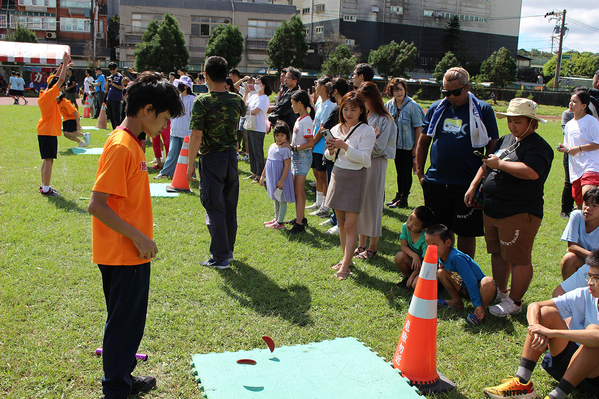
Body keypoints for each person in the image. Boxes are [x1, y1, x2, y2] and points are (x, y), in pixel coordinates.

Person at [87, 71, 184, 399]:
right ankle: (115, 389)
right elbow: (97, 205)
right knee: (122, 326)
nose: (165, 125)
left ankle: (123, 377)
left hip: (131, 253)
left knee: (130, 323)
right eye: (165, 118)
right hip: (123, 254)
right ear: (147, 110)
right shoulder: (121, 146)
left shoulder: (132, 143)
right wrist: (139, 237)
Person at [465, 98, 554, 317]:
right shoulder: (507, 139)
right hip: (494, 209)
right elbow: (488, 162)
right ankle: (501, 292)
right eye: (510, 120)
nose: (513, 125)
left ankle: (515, 301)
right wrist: (475, 184)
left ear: (532, 123)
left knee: (519, 258)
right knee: (498, 253)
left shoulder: (538, 146)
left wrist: (500, 164)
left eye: (518, 121)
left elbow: (532, 172)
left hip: (519, 211)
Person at [483, 258, 599, 399]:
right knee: (546, 313)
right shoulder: (585, 294)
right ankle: (522, 382)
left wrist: (551, 332)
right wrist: (535, 327)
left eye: (596, 278)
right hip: (572, 367)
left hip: (595, 376)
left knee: (593, 336)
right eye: (590, 276)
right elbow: (535, 306)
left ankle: (556, 396)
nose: (590, 282)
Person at [416, 67, 499, 259]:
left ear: (468, 87)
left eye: (456, 92)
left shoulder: (483, 110)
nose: (451, 97)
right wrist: (421, 174)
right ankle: (442, 271)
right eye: (446, 92)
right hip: (436, 181)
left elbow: (492, 149)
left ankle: (462, 273)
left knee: (466, 232)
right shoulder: (437, 108)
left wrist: (479, 181)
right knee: (440, 230)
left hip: (467, 183)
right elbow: (423, 142)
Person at [187, 56, 247, 269]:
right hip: (232, 158)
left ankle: (220, 257)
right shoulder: (235, 99)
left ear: (205, 75)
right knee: (229, 206)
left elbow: (196, 135)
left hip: (212, 158)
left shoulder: (202, 101)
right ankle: (227, 251)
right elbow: (243, 109)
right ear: (226, 75)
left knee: (215, 207)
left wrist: (189, 164)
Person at [324, 92, 376, 280]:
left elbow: (365, 160)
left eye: (353, 109)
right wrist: (331, 150)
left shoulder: (366, 131)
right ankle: (346, 259)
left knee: (351, 225)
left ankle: (345, 266)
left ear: (362, 110)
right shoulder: (337, 128)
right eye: (345, 109)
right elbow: (329, 157)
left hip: (356, 177)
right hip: (338, 175)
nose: (349, 113)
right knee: (342, 223)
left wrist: (344, 146)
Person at [355, 82, 397, 259]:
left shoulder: (385, 119)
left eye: (365, 99)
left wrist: (362, 146)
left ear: (374, 98)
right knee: (360, 203)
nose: (363, 103)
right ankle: (361, 244)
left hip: (376, 163)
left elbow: (379, 148)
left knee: (372, 204)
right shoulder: (364, 116)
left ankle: (372, 248)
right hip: (360, 164)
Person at [425, 224, 497, 324]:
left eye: (435, 245)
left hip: (481, 291)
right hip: (464, 288)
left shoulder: (456, 257)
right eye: (428, 245)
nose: (431, 248)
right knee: (441, 272)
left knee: (488, 282)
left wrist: (477, 303)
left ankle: (479, 309)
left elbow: (470, 281)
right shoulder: (440, 255)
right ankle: (456, 301)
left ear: (448, 242)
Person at [384, 78, 425, 209]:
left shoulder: (413, 106)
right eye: (395, 90)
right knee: (399, 172)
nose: (398, 93)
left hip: (408, 146)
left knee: (406, 173)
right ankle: (398, 195)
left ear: (405, 90)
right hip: (395, 146)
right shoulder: (389, 105)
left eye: (400, 90)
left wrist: (416, 147)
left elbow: (418, 127)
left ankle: (404, 199)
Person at [36, 53, 71, 197]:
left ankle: (44, 186)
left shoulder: (44, 93)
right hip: (48, 131)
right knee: (49, 160)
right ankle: (46, 188)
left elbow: (56, 77)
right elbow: (60, 78)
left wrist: (64, 65)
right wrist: (63, 62)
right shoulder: (50, 95)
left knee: (46, 160)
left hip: (44, 130)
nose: (63, 89)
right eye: (61, 87)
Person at [557, 90, 599, 208]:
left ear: (584, 106)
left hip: (590, 165)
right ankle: (584, 226)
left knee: (588, 197)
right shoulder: (569, 124)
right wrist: (564, 148)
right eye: (570, 101)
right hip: (575, 168)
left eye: (574, 102)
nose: (570, 103)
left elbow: (598, 142)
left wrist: (579, 148)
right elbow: (570, 146)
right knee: (580, 203)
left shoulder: (591, 121)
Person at [321, 77, 350, 235]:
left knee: (337, 189)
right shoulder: (338, 107)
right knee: (332, 187)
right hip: (332, 151)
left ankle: (339, 223)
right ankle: (334, 218)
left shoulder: (341, 108)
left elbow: (325, 128)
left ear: (336, 91)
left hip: (339, 153)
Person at [156, 75, 195, 179]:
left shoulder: (192, 99)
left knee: (188, 156)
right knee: (172, 154)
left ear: (186, 86)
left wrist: (191, 132)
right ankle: (166, 172)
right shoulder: (176, 98)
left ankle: (191, 174)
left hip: (186, 132)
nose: (179, 86)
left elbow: (193, 117)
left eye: (182, 84)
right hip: (175, 131)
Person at [306, 75, 335, 217]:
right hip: (316, 143)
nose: (315, 87)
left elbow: (323, 128)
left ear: (323, 86)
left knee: (323, 177)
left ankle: (325, 206)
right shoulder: (320, 103)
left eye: (317, 84)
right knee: (317, 174)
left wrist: (313, 142)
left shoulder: (330, 105)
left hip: (321, 144)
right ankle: (318, 202)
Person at [288, 90, 316, 234]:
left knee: (298, 191)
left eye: (293, 103)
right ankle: (301, 218)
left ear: (300, 103)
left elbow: (310, 142)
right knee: (299, 191)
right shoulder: (300, 119)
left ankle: (299, 224)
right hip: (297, 157)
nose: (292, 106)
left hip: (302, 158)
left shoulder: (306, 120)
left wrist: (294, 147)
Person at [259, 121, 295, 230]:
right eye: (277, 135)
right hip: (272, 179)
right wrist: (262, 175)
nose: (279, 138)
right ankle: (276, 218)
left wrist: (282, 180)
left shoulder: (285, 149)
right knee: (276, 198)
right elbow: (268, 162)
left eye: (282, 135)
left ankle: (280, 222)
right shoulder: (272, 146)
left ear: (287, 136)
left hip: (280, 178)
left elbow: (287, 165)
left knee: (282, 199)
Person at [560, 187, 599, 280]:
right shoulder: (577, 216)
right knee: (569, 259)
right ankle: (569, 292)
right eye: (586, 204)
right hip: (586, 262)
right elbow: (572, 246)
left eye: (594, 206)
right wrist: (595, 257)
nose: (588, 208)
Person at [393, 206, 435, 290]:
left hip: (425, 265)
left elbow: (425, 262)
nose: (410, 224)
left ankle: (437, 285)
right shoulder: (405, 226)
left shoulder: (425, 237)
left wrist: (414, 274)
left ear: (423, 228)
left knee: (415, 285)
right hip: (414, 261)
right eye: (410, 218)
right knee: (399, 256)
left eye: (415, 224)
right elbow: (403, 246)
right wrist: (415, 256)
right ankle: (407, 278)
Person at [245, 76, 272, 183]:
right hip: (250, 125)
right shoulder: (254, 96)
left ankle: (260, 174)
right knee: (251, 150)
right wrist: (246, 93)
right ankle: (254, 172)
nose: (255, 84)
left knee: (257, 151)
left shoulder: (264, 98)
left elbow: (255, 111)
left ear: (263, 85)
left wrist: (246, 112)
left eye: (258, 82)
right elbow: (244, 105)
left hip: (258, 128)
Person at [269, 67, 301, 131]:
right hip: (284, 128)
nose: (285, 79)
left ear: (295, 81)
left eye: (287, 78)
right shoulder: (288, 92)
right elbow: (279, 106)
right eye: (285, 77)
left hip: (290, 128)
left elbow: (281, 109)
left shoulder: (295, 95)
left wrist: (273, 114)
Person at [105, 62, 125, 130]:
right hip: (109, 98)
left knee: (116, 116)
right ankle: (114, 129)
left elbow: (122, 87)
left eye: (113, 69)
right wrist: (107, 82)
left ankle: (118, 130)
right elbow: (106, 89)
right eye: (110, 69)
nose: (112, 71)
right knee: (110, 116)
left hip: (116, 99)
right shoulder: (110, 77)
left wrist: (113, 84)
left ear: (116, 68)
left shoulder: (120, 77)